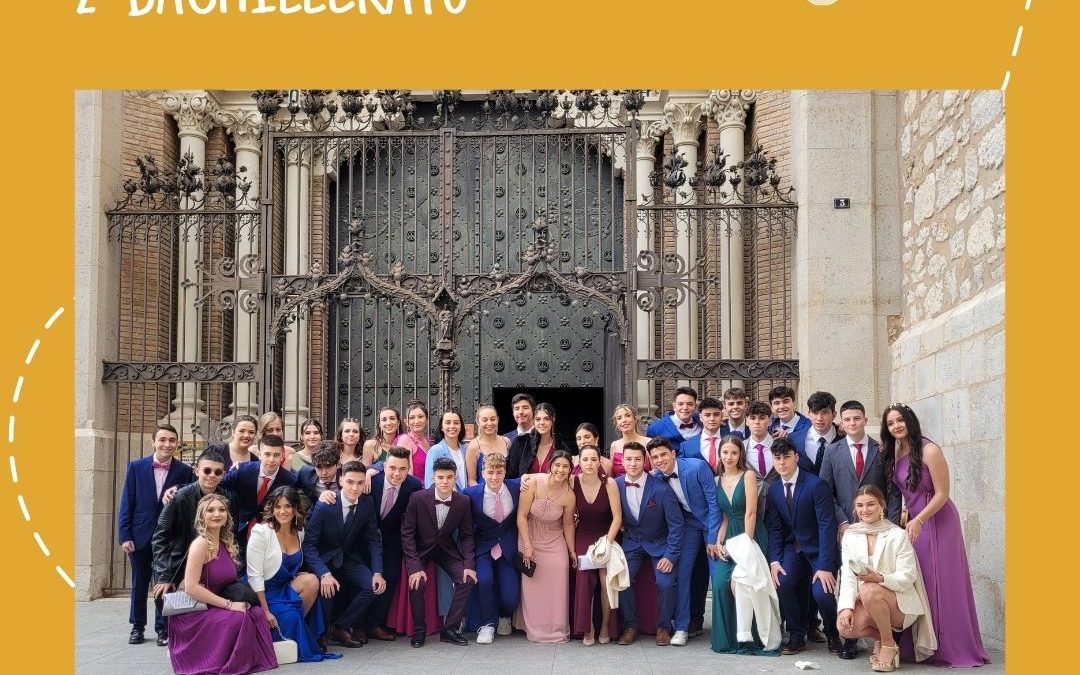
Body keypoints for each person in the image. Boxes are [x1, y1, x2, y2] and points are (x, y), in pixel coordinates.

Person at [880, 404, 989, 667]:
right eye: (891, 423)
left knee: (942, 582)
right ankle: (922, 644)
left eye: (900, 420)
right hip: (914, 523)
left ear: (910, 421)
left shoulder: (930, 450)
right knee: (920, 581)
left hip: (937, 521)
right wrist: (908, 518)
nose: (896, 426)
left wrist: (919, 518)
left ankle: (949, 646)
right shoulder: (895, 451)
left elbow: (942, 493)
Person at [166, 493, 277, 675]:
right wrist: (230, 605)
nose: (217, 514)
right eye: (210, 510)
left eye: (221, 510)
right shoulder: (200, 544)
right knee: (239, 617)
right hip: (197, 610)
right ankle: (220, 661)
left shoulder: (226, 542)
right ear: (202, 515)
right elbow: (191, 588)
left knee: (256, 613)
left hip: (216, 603)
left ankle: (251, 661)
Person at [837, 485, 937, 673]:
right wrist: (846, 608)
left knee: (869, 588)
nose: (865, 510)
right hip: (869, 601)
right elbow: (848, 576)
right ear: (854, 509)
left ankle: (889, 645)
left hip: (900, 604)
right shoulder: (851, 535)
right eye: (860, 505)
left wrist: (879, 578)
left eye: (870, 504)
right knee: (844, 628)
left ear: (881, 506)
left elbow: (907, 577)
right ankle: (883, 638)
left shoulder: (897, 535)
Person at [117, 424, 194, 646]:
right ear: (153, 442)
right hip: (140, 535)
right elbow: (127, 503)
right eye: (162, 440)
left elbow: (187, 498)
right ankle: (137, 627)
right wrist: (125, 535)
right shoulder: (136, 467)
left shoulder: (184, 471)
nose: (167, 444)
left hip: (168, 538)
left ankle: (163, 629)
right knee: (139, 583)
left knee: (164, 582)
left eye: (171, 440)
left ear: (177, 444)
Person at [246, 486, 342, 662]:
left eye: (288, 506)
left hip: (284, 586)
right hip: (262, 592)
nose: (283, 511)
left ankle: (297, 626)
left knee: (312, 580)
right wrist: (265, 611)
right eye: (278, 507)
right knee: (290, 616)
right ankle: (291, 628)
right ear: (272, 509)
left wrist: (297, 574)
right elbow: (254, 576)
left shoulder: (299, 532)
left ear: (295, 508)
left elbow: (290, 563)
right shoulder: (261, 532)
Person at [765, 437, 842, 657]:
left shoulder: (816, 485)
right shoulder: (774, 490)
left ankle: (833, 632)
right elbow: (775, 529)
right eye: (777, 458)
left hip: (819, 549)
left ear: (796, 457)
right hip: (792, 549)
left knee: (822, 592)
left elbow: (827, 527)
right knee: (783, 580)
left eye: (787, 457)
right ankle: (796, 634)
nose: (782, 463)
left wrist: (826, 565)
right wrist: (775, 561)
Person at [152, 448, 247, 622]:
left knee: (242, 596)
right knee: (165, 596)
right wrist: (165, 575)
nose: (212, 475)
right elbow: (160, 537)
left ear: (223, 474)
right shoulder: (178, 497)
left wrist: (234, 571)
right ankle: (166, 633)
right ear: (196, 471)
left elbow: (232, 535)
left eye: (217, 472)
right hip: (180, 561)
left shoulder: (229, 499)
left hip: (214, 566)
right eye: (207, 470)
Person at [302, 461, 386, 649]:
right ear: (341, 481)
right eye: (350, 482)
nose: (355, 488)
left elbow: (374, 539)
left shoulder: (367, 503)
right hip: (325, 560)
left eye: (359, 482)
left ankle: (339, 627)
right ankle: (321, 634)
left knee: (372, 587)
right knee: (327, 589)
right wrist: (323, 573)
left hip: (348, 558)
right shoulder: (325, 504)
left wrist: (378, 572)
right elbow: (309, 545)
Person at [647, 437, 720, 646]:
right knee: (682, 574)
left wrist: (713, 538)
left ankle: (724, 629)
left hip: (710, 523)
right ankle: (681, 627)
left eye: (663, 454)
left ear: (673, 453)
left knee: (718, 576)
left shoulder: (697, 467)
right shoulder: (657, 478)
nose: (660, 460)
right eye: (655, 457)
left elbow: (714, 504)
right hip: (688, 525)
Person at [711, 434, 777, 654]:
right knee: (721, 583)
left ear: (740, 455)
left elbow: (750, 513)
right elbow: (726, 517)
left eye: (734, 452)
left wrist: (744, 549)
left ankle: (751, 639)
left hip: (750, 536)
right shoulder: (717, 479)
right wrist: (719, 541)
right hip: (729, 535)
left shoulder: (748, 476)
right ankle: (727, 640)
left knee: (746, 585)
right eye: (725, 452)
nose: (729, 457)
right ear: (719, 454)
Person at [400, 457, 476, 647]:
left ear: (455, 477)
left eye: (449, 477)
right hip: (421, 549)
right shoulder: (417, 498)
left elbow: (467, 536)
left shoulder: (463, 501)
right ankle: (419, 631)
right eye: (440, 477)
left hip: (446, 549)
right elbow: (407, 532)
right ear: (433, 477)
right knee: (416, 583)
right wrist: (414, 565)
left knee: (467, 580)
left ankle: (449, 629)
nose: (444, 482)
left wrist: (469, 565)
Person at [615, 442, 683, 647]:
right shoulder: (615, 485)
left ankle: (663, 627)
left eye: (637, 459)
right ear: (623, 461)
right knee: (621, 579)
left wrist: (670, 556)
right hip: (632, 542)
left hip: (660, 543)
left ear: (644, 460)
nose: (633, 464)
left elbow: (677, 525)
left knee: (665, 582)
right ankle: (629, 626)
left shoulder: (661, 488)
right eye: (628, 459)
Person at [517, 449, 577, 643]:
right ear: (550, 466)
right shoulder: (533, 483)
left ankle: (556, 628)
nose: (561, 470)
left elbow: (568, 524)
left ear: (570, 470)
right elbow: (522, 517)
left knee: (559, 578)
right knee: (532, 585)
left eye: (565, 466)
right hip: (530, 538)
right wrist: (527, 545)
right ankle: (534, 627)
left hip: (554, 540)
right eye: (557, 465)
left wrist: (572, 551)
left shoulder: (569, 495)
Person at [463, 453, 522, 644]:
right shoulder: (471, 494)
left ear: (505, 472)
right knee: (485, 580)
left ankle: (505, 616)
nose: (495, 477)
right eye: (490, 472)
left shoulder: (516, 488)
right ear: (482, 473)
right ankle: (487, 624)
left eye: (499, 472)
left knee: (511, 595)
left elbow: (539, 477)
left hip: (507, 548)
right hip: (483, 549)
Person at [368, 447, 424, 641]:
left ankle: (376, 624)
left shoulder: (415, 485)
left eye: (402, 469)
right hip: (365, 540)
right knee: (365, 578)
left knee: (391, 577)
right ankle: (357, 626)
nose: (396, 473)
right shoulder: (371, 482)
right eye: (392, 468)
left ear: (408, 468)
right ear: (384, 467)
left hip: (393, 541)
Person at [571, 445, 622, 644]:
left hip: (606, 535)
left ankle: (606, 625)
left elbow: (617, 517)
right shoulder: (572, 481)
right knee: (584, 577)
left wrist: (607, 543)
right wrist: (525, 479)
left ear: (599, 462)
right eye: (585, 459)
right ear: (579, 462)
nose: (589, 463)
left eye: (594, 459)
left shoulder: (609, 483)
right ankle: (587, 626)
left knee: (605, 578)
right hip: (583, 535)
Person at [219, 434, 298, 549]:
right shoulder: (242, 470)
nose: (271, 459)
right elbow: (220, 486)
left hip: (270, 533)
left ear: (282, 456)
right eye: (267, 454)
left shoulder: (289, 480)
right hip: (237, 528)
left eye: (276, 455)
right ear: (260, 454)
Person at [505, 402, 571, 479]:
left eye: (546, 419)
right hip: (523, 490)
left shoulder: (562, 448)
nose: (541, 423)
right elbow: (510, 475)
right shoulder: (520, 442)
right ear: (534, 421)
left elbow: (566, 477)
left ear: (553, 420)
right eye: (538, 419)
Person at [465, 403, 511, 486]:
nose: (489, 423)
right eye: (485, 420)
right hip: (483, 495)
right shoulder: (474, 446)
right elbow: (471, 480)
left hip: (505, 493)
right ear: (478, 422)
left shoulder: (507, 442)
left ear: (498, 420)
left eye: (493, 419)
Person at [425, 409, 468, 489]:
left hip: (466, 499)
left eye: (456, 423)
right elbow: (430, 484)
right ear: (441, 427)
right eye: (448, 423)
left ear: (461, 426)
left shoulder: (466, 448)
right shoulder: (435, 451)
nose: (452, 426)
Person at [680, 396, 724, 472]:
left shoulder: (733, 439)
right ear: (700, 417)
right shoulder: (686, 447)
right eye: (707, 415)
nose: (712, 419)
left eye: (716, 414)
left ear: (722, 416)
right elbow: (681, 471)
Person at [802, 391, 842, 475]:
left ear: (834, 415)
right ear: (809, 414)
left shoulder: (845, 438)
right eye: (815, 412)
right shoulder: (795, 439)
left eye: (824, 412)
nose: (819, 418)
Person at [610, 403, 652, 477]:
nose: (624, 420)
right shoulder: (614, 445)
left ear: (635, 419)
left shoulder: (648, 442)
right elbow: (612, 474)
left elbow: (655, 472)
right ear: (616, 423)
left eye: (628, 416)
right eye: (619, 418)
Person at [395, 400, 433, 481]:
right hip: (414, 490)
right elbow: (407, 475)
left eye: (420, 416)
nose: (417, 421)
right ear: (406, 422)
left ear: (427, 420)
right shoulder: (405, 440)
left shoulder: (428, 442)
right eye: (412, 418)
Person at [297, 442, 341, 508]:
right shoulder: (305, 474)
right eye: (319, 467)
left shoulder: (347, 475)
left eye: (328, 466)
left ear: (338, 464)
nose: (324, 473)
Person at [768, 385, 811, 450]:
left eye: (786, 401)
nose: (781, 406)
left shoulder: (809, 426)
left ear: (794, 403)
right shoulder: (768, 426)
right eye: (777, 403)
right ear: (772, 408)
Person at [744, 401, 775, 482]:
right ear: (746, 421)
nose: (757, 422)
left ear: (770, 421)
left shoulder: (780, 444)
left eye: (762, 418)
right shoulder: (741, 447)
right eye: (752, 418)